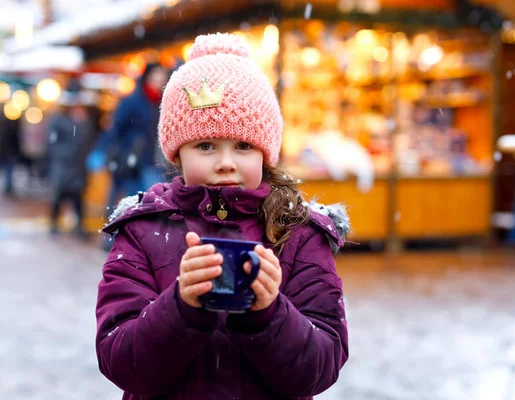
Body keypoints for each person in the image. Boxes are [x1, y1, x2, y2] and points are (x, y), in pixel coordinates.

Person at [95, 33, 350, 399]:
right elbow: (120, 360)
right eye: (206, 146)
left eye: (244, 146)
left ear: (266, 153)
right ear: (177, 153)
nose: (226, 163)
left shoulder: (299, 234)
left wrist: (269, 312)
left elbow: (320, 367)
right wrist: (181, 307)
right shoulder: (142, 231)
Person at [99, 62, 169, 210]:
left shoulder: (164, 102)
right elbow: (116, 128)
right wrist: (110, 150)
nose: (159, 80)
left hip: (155, 159)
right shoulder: (133, 101)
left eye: (162, 76)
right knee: (130, 199)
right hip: (131, 158)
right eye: (156, 76)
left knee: (151, 200)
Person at [47, 91, 98, 238]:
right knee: (59, 195)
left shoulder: (85, 121)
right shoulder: (59, 120)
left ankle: (80, 226)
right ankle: (54, 223)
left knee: (78, 196)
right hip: (63, 165)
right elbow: (52, 143)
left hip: (78, 165)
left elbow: (89, 140)